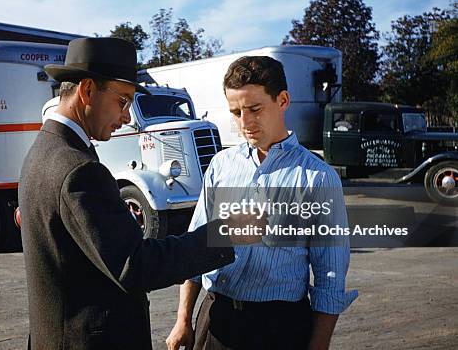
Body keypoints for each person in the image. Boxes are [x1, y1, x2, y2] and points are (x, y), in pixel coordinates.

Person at [18, 37, 238, 350]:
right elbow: (135, 266)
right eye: (122, 100)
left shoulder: (42, 150)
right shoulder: (78, 168)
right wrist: (224, 236)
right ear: (88, 91)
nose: (125, 116)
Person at [166, 56, 358, 350]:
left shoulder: (317, 178)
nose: (245, 123)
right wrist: (183, 319)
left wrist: (318, 345)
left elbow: (329, 276)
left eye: (254, 109)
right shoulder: (221, 165)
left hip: (279, 329)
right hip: (217, 319)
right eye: (236, 112)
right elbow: (197, 247)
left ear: (282, 101)